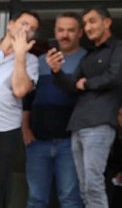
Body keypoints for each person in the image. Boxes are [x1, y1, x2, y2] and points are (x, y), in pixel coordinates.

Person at [48, 5, 122, 208]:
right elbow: (71, 87)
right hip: (78, 124)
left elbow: (116, 76)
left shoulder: (119, 47)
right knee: (85, 186)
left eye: (92, 21)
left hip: (100, 122)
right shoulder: (88, 56)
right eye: (85, 23)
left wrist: (87, 83)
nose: (87, 27)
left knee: (94, 183)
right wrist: (57, 71)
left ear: (107, 22)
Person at [22, 12, 86, 208]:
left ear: (80, 33)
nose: (65, 34)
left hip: (70, 142)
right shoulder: (39, 61)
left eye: (70, 30)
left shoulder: (88, 60)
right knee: (36, 199)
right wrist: (25, 129)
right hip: (37, 141)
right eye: (61, 30)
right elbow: (28, 99)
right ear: (55, 32)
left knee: (70, 199)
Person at [0, 10, 40, 208]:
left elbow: (20, 90)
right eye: (24, 24)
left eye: (32, 29)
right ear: (10, 24)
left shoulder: (30, 61)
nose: (27, 30)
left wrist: (20, 55)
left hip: (6, 130)